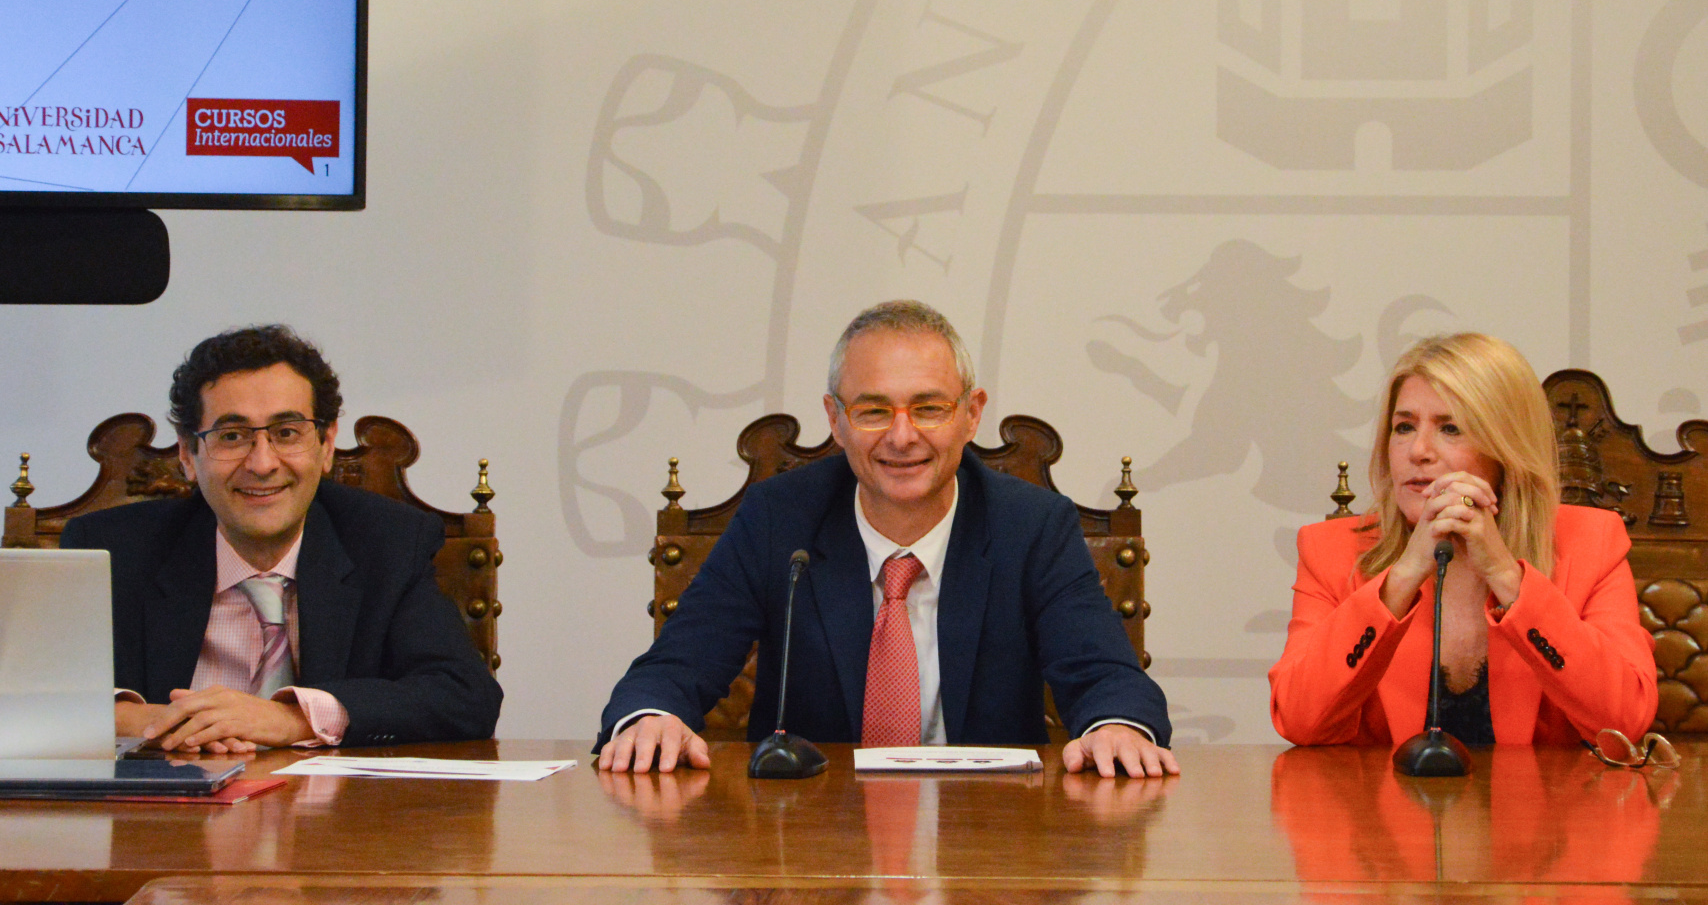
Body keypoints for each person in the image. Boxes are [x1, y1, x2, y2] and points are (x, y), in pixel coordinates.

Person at [597, 300, 1176, 777]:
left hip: (991, 841)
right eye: (874, 411)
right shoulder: (780, 520)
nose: (902, 437)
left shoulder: (1031, 526)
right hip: (809, 842)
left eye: (928, 408)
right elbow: (673, 667)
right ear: (835, 417)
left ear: (971, 415)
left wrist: (1115, 726)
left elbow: (1108, 678)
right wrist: (654, 716)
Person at [61, 325, 502, 752]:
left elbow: (464, 696)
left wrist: (287, 719)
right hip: (163, 820)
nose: (263, 463)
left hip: (337, 821)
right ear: (187, 455)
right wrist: (155, 723)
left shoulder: (388, 543)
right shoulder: (109, 551)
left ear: (326, 444)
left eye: (286, 433)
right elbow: (28, 699)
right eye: (232, 436)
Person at [1269, 332, 1656, 745]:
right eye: (1403, 427)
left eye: (1450, 428)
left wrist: (1507, 577)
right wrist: (1400, 579)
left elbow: (1624, 723)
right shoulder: (1331, 551)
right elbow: (1298, 719)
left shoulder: (1591, 544)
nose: (1418, 450)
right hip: (1384, 808)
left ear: (1507, 449)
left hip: (1544, 807)